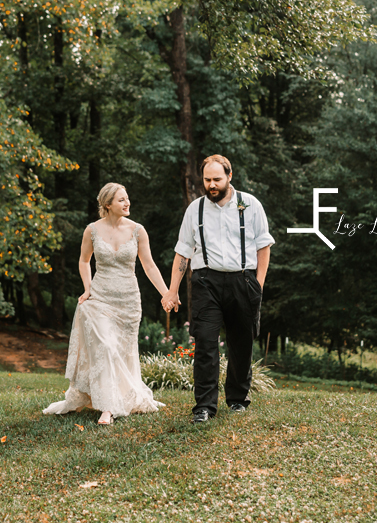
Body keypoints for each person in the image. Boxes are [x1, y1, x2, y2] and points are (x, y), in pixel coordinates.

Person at [43, 183, 170, 425]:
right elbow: (83, 261)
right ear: (107, 204)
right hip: (100, 298)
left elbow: (149, 265)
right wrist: (87, 288)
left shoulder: (138, 231)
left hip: (129, 301)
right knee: (105, 348)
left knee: (122, 353)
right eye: (121, 200)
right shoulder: (92, 230)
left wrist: (166, 294)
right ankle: (107, 408)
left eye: (127, 198)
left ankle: (125, 396)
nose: (127, 203)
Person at [163, 155, 274, 423]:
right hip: (205, 282)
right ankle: (204, 406)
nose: (211, 185)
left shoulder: (251, 205)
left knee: (241, 343)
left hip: (243, 281)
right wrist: (172, 290)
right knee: (205, 343)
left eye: (217, 179)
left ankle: (237, 399)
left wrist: (257, 284)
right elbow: (182, 253)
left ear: (229, 176)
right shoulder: (195, 209)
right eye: (207, 180)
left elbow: (263, 246)